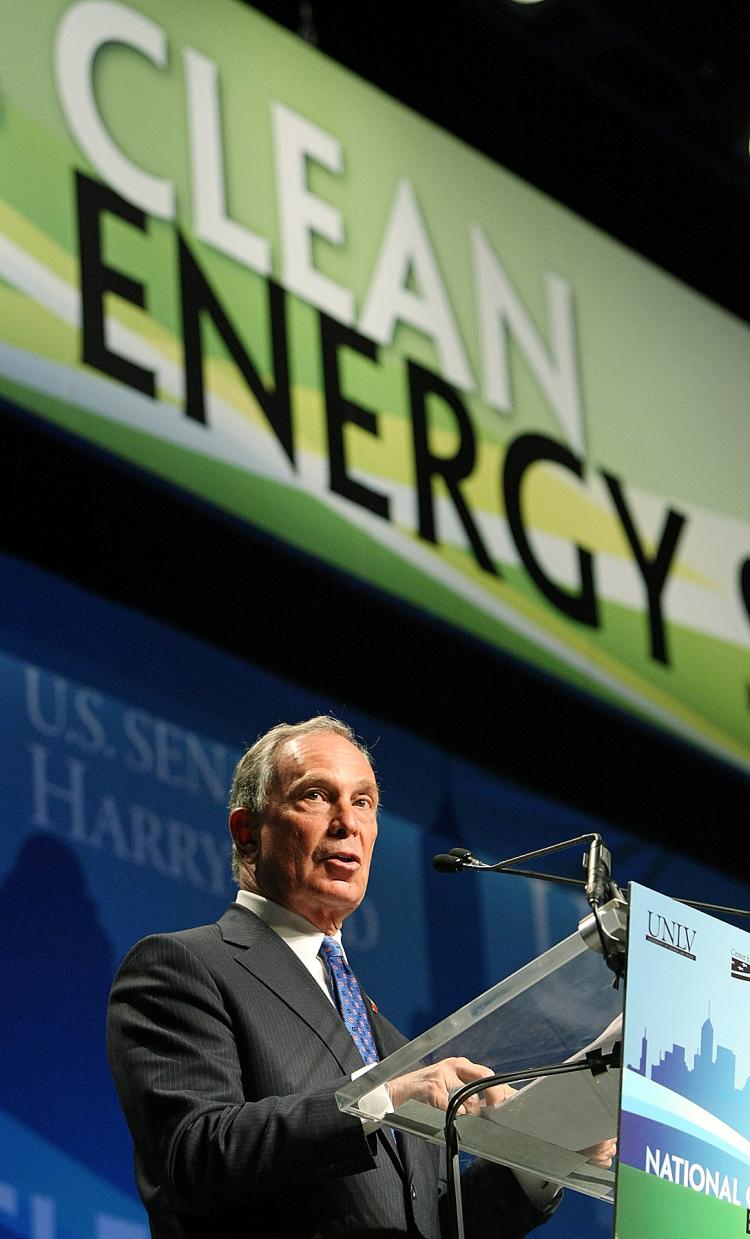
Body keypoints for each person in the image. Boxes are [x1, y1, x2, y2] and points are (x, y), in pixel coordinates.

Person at [107, 716, 614, 1239]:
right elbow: (197, 1155)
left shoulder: (389, 1044)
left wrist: (545, 1149)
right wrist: (382, 1098)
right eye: (316, 796)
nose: (347, 822)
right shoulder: (185, 968)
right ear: (248, 831)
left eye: (364, 802)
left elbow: (432, 1225)